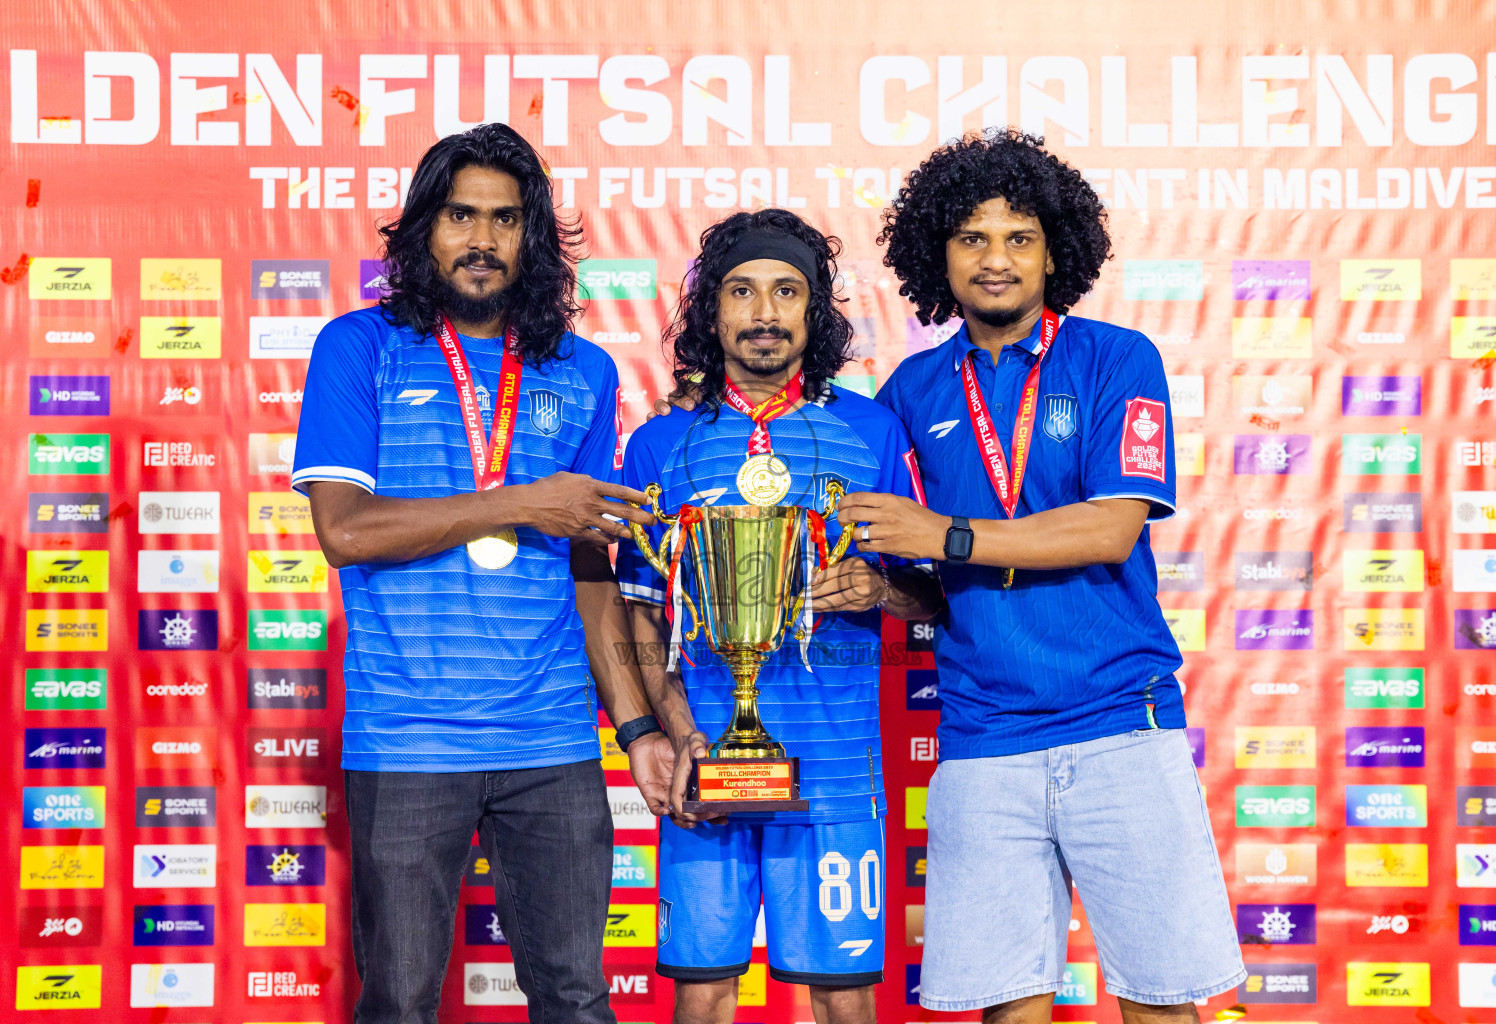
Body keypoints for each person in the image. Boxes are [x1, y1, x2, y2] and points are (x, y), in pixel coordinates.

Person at [839, 130, 1245, 1023]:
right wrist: (883, 590)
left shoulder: (1116, 358)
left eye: (1020, 236)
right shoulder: (909, 392)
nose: (996, 259)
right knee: (1004, 1009)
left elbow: (1110, 527)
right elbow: (926, 580)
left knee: (1163, 1001)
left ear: (1056, 250)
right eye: (972, 237)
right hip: (983, 737)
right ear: (934, 254)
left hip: (1119, 723)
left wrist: (943, 536)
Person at [291, 122, 669, 1024]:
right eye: (462, 215)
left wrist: (638, 725)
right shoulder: (359, 349)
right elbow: (344, 533)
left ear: (532, 237)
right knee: (400, 1003)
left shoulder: (583, 371)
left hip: (554, 746)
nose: (483, 240)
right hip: (408, 740)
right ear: (425, 226)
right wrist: (519, 503)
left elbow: (592, 577)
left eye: (505, 221)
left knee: (577, 1000)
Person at [620, 208, 941, 1024]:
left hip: (836, 770)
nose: (764, 313)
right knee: (703, 988)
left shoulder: (871, 432)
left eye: (786, 292)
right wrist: (678, 729)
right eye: (742, 291)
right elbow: (642, 613)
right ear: (712, 311)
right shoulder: (662, 447)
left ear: (814, 312)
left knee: (841, 995)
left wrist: (880, 590)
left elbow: (932, 598)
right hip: (708, 762)